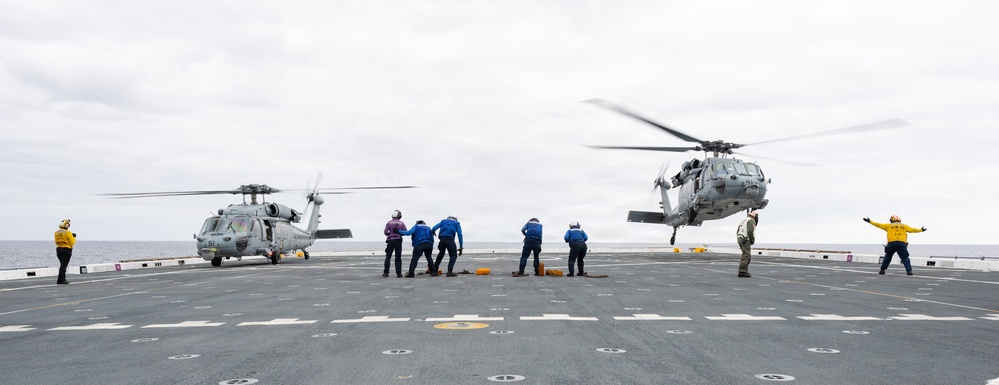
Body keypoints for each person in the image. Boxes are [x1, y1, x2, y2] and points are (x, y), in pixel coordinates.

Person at [382, 210, 407, 278]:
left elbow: (385, 232)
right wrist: (399, 233)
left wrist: (390, 234)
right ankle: (398, 273)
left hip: (391, 240)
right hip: (398, 240)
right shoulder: (401, 223)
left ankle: (386, 272)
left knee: (388, 256)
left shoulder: (389, 223)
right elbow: (405, 232)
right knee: (398, 257)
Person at [54, 219, 76, 285]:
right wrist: (74, 237)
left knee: (62, 265)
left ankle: (63, 279)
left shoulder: (56, 232)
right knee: (63, 266)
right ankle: (60, 280)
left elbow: (55, 241)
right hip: (67, 250)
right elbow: (72, 242)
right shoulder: (68, 233)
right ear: (66, 225)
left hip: (59, 250)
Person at [736, 211, 758, 278]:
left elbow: (737, 230)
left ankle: (744, 271)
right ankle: (742, 272)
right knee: (746, 256)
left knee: (745, 255)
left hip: (740, 238)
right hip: (746, 239)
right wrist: (752, 240)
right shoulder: (751, 221)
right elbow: (750, 231)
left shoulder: (743, 220)